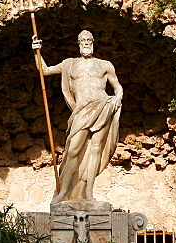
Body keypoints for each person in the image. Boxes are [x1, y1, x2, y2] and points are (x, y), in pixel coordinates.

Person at [32, 30, 122, 204]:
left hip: (102, 106)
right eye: (83, 40)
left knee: (96, 149)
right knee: (72, 150)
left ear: (93, 42)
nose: (86, 43)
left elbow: (117, 86)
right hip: (81, 111)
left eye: (89, 40)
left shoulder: (105, 65)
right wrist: (37, 52)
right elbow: (45, 71)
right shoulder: (69, 64)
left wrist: (117, 98)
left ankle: (88, 193)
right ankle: (64, 193)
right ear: (78, 43)